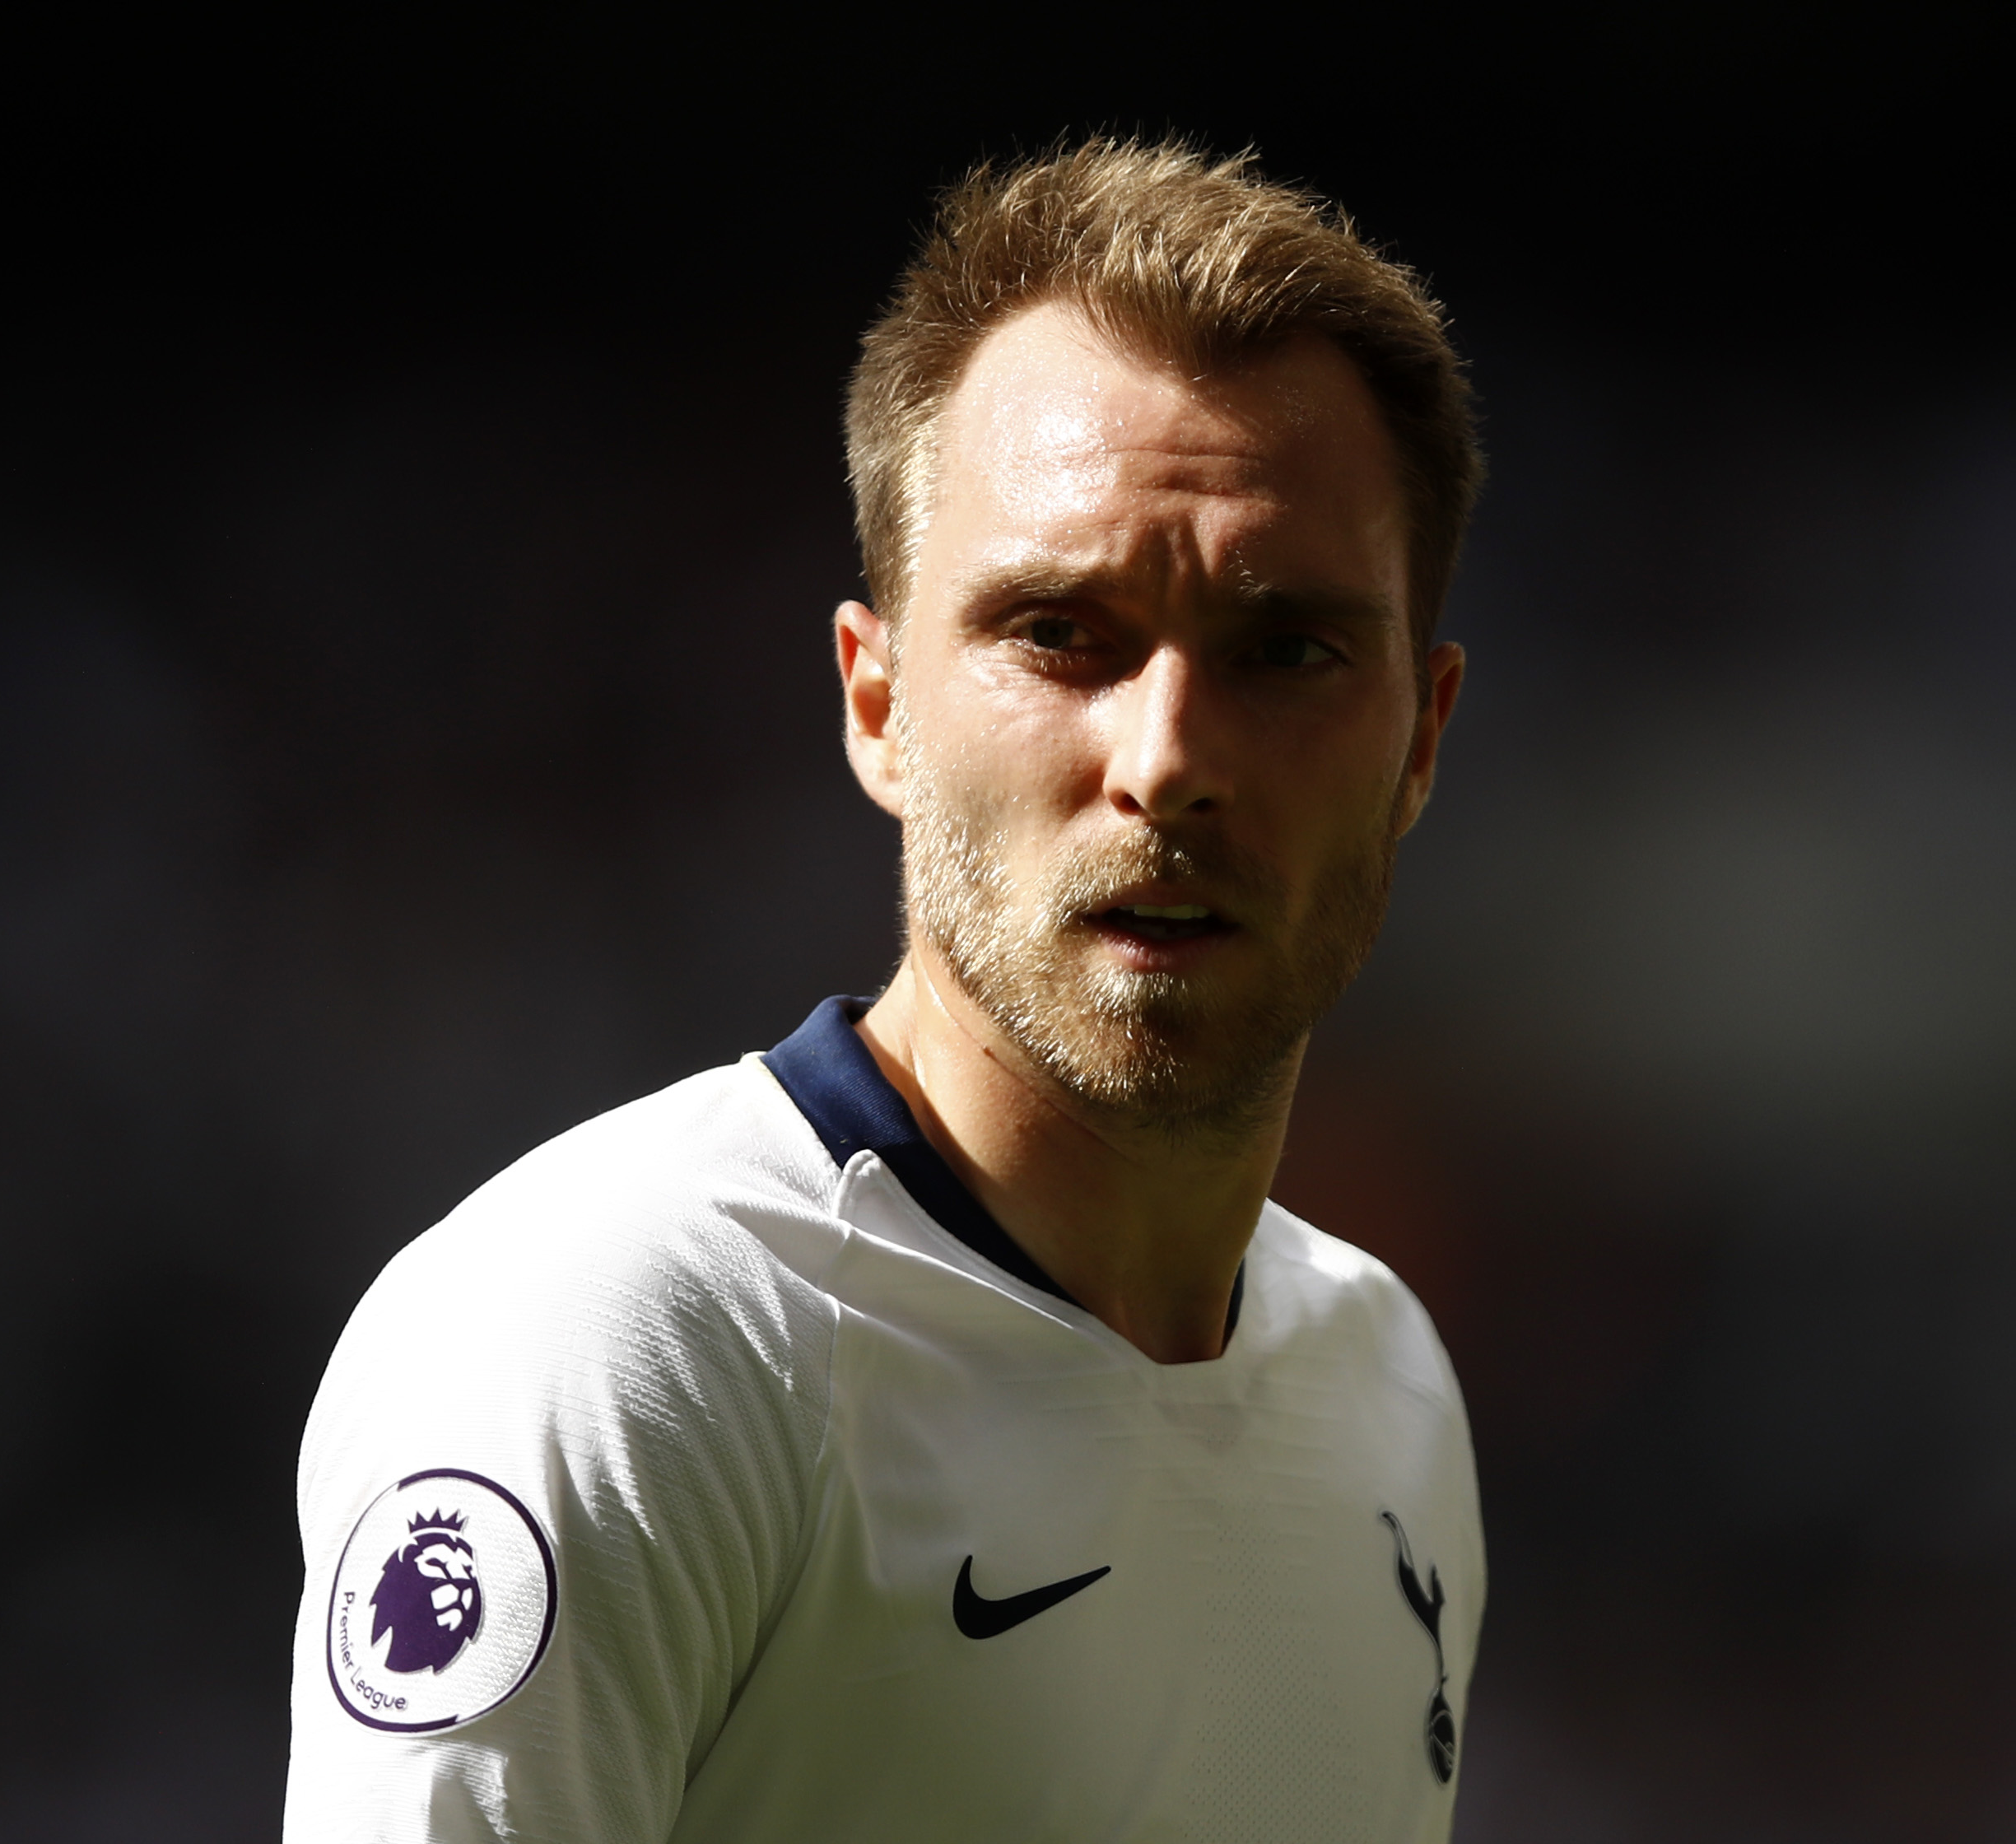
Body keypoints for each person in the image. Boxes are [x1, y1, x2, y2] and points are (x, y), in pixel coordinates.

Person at [285, 138, 1484, 1842]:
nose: (1167, 758)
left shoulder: (1387, 1395)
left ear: (1420, 738)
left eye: (1284, 647)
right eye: (1059, 631)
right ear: (876, 706)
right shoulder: (616, 1340)